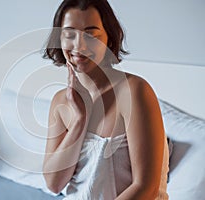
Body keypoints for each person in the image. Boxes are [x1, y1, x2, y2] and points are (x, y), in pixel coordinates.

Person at [42, 0, 169, 199]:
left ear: (109, 38)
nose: (79, 45)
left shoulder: (135, 91)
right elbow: (54, 183)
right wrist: (79, 120)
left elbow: (146, 187)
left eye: (91, 33)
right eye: (69, 34)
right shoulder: (61, 102)